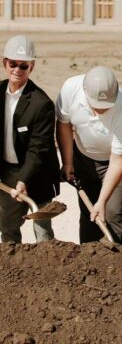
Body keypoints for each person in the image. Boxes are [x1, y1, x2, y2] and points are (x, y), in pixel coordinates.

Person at [56, 66, 122, 243]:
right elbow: (64, 125)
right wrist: (68, 162)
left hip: (115, 161)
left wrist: (102, 201)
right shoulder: (71, 89)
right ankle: (89, 257)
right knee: (88, 211)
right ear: (85, 92)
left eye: (106, 107)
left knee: (113, 211)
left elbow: (118, 161)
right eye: (96, 106)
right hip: (83, 157)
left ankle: (121, 258)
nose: (100, 111)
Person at [0, 35, 59, 243]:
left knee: (42, 231)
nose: (17, 69)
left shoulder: (41, 104)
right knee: (7, 226)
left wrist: (23, 179)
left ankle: (47, 273)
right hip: (8, 171)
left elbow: (38, 149)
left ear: (31, 67)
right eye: (12, 64)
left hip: (37, 173)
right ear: (4, 63)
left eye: (23, 66)